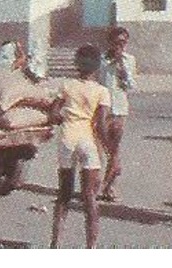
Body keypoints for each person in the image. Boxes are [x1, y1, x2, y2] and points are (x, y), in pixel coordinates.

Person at [50, 44, 110, 249]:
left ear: (76, 64)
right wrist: (110, 152)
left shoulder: (66, 85)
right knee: (89, 196)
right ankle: (90, 247)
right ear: (98, 67)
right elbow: (101, 125)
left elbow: (54, 114)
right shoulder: (102, 91)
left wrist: (64, 117)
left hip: (67, 138)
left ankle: (55, 244)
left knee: (64, 193)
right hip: (87, 140)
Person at [96, 28, 136, 203]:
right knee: (100, 149)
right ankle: (95, 184)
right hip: (102, 110)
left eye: (123, 42)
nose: (120, 45)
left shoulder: (129, 60)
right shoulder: (101, 60)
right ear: (110, 42)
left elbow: (130, 86)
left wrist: (122, 67)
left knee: (115, 149)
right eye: (116, 42)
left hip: (119, 110)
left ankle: (109, 186)